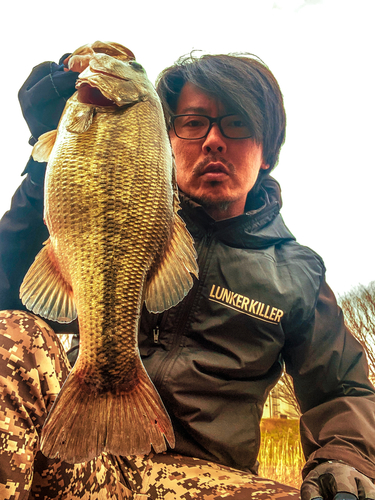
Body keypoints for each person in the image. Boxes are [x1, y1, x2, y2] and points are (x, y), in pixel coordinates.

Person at [0, 42, 374, 500]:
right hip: (80, 457)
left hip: (204, 479)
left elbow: (343, 389)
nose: (213, 140)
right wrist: (47, 166)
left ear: (268, 152)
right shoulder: (118, 215)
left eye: (236, 123)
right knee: (8, 335)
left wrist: (343, 458)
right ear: (166, 142)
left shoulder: (299, 274)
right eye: (193, 123)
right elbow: (8, 289)